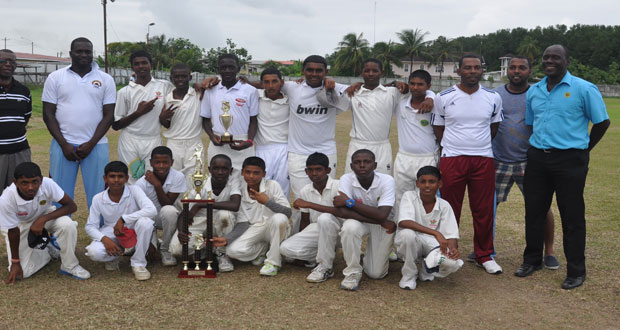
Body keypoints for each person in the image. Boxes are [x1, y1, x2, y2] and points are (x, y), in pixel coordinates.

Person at [515, 45, 610, 290]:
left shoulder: (583, 88)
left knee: (572, 216)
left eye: (556, 57)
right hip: (537, 158)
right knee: (534, 212)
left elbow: (602, 122)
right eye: (546, 57)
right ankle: (532, 260)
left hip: (570, 161)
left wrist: (583, 149)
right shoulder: (534, 90)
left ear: (567, 60)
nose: (550, 61)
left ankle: (576, 271)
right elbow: (531, 124)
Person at [431, 53, 504, 275]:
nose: (472, 71)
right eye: (467, 68)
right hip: (452, 158)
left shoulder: (493, 97)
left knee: (483, 209)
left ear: (482, 70)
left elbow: (493, 127)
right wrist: (452, 147)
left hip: (483, 158)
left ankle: (484, 255)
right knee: (449, 208)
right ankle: (446, 252)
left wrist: (477, 146)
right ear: (459, 71)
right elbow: (438, 128)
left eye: (476, 68)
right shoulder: (443, 97)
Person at [491, 56, 558, 268]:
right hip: (499, 159)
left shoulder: (538, 93)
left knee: (542, 207)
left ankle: (549, 251)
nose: (516, 71)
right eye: (512, 67)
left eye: (522, 67)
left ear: (529, 71)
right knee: (489, 206)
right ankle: (483, 249)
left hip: (530, 161)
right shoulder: (495, 94)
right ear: (507, 71)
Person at [42, 37, 115, 208]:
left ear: (92, 54)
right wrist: (64, 144)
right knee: (59, 195)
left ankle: (99, 234)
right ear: (70, 54)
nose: (84, 54)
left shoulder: (105, 79)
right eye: (79, 51)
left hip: (96, 146)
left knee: (100, 197)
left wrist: (91, 143)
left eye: (88, 51)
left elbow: (109, 116)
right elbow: (48, 114)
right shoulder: (55, 77)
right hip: (63, 146)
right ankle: (59, 233)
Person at [1, 162, 90, 283]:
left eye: (35, 181)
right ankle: (47, 250)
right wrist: (15, 262)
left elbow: (71, 206)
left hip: (45, 216)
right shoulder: (6, 198)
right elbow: (13, 231)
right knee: (23, 273)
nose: (31, 187)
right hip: (19, 225)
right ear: (15, 182)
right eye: (24, 183)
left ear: (41, 180)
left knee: (67, 224)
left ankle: (69, 266)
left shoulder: (48, 184)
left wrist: (42, 219)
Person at [341, 59, 433, 175]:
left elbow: (420, 91)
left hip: (382, 146)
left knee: (383, 183)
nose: (370, 74)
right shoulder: (353, 92)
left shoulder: (393, 92)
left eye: (375, 71)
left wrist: (430, 97)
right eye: (367, 71)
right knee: (353, 182)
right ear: (361, 72)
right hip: (358, 145)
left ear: (382, 72)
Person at [334, 149, 396, 291]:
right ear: (351, 166)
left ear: (375, 165)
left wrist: (351, 203)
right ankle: (352, 272)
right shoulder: (346, 179)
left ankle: (375, 254)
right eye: (357, 162)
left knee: (375, 274)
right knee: (349, 227)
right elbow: (342, 211)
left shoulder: (387, 180)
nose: (362, 165)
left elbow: (383, 214)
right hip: (366, 222)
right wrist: (378, 218)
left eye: (367, 162)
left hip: (382, 225)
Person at [85, 161, 157, 281]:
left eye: (120, 176)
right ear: (105, 178)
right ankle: (114, 257)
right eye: (112, 176)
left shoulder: (135, 190)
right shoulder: (98, 198)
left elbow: (152, 210)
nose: (116, 180)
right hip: (112, 232)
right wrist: (105, 240)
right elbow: (90, 226)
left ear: (127, 178)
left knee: (146, 222)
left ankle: (138, 263)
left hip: (135, 230)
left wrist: (124, 219)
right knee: (94, 252)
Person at [395, 166, 461, 290]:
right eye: (423, 181)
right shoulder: (409, 196)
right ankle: (409, 274)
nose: (427, 185)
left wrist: (452, 250)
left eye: (432, 182)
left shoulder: (444, 205)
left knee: (452, 263)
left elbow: (451, 234)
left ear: (439, 184)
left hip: (432, 244)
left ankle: (428, 268)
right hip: (412, 241)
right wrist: (436, 233)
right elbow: (404, 222)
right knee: (407, 234)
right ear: (417, 184)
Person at [171, 154, 242, 272]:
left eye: (224, 169)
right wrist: (181, 231)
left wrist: (202, 204)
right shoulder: (201, 184)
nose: (220, 172)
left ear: (230, 171)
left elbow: (235, 205)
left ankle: (222, 254)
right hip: (201, 221)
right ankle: (204, 249)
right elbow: (185, 212)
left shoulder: (233, 182)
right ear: (209, 170)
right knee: (176, 249)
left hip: (220, 223)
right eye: (216, 168)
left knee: (225, 215)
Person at [223, 156, 292, 276]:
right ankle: (263, 249)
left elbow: (287, 213)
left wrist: (267, 202)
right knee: (232, 251)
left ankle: (273, 262)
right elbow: (243, 223)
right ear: (242, 172)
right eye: (248, 172)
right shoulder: (239, 190)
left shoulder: (272, 185)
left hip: (275, 227)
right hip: (255, 228)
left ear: (264, 174)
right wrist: (227, 239)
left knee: (279, 218)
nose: (251, 176)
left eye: (256, 173)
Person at [113, 50, 173, 183]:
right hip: (130, 141)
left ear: (151, 65)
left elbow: (183, 90)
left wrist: (200, 85)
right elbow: (116, 125)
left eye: (144, 63)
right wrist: (138, 113)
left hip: (153, 139)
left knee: (152, 179)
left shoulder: (164, 86)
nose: (141, 66)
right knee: (132, 179)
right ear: (132, 67)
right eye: (137, 64)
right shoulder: (124, 92)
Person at [280, 152, 340, 268]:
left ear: (328, 170)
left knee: (325, 218)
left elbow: (341, 212)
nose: (314, 174)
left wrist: (309, 204)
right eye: (310, 170)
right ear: (306, 171)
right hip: (317, 229)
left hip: (340, 229)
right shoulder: (305, 190)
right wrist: (302, 245)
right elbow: (305, 221)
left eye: (318, 169)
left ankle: (325, 261)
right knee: (285, 249)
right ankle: (318, 256)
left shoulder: (338, 185)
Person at [200, 54, 258, 171]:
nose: (227, 71)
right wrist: (212, 137)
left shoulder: (250, 91)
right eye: (224, 67)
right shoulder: (210, 91)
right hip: (218, 144)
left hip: (242, 143)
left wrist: (249, 141)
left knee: (244, 183)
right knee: (218, 183)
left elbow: (253, 120)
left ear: (237, 68)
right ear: (218, 69)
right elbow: (205, 119)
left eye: (231, 67)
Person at [134, 146, 186, 266]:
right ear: (151, 163)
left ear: (172, 162)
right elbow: (139, 213)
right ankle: (149, 243)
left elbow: (166, 202)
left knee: (169, 211)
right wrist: (150, 243)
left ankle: (165, 249)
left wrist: (157, 184)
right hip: (147, 219)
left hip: (170, 218)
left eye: (165, 162)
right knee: (145, 251)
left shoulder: (178, 177)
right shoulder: (141, 183)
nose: (161, 166)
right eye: (157, 162)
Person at [394, 70, 439, 205]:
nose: (415, 87)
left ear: (428, 86)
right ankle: (401, 225)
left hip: (427, 158)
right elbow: (384, 88)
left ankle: (423, 225)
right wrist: (396, 82)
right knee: (400, 197)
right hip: (404, 158)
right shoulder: (401, 103)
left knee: (425, 198)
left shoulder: (435, 105)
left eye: (420, 84)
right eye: (412, 84)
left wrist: (431, 98)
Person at [160, 63, 204, 179]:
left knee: (195, 179)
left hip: (194, 143)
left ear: (190, 78)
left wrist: (199, 85)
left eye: (184, 76)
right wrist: (163, 118)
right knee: (174, 178)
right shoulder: (167, 98)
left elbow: (216, 81)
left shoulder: (198, 93)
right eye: (177, 77)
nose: (180, 79)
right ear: (171, 78)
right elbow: (168, 125)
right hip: (174, 143)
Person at [254, 68, 290, 196]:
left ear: (282, 82)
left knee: (282, 189)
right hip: (261, 149)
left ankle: (281, 216)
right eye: (266, 82)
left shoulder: (290, 100)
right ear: (261, 84)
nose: (271, 86)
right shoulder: (256, 96)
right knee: (261, 188)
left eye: (274, 81)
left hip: (284, 149)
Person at [0, 49, 32, 190]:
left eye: (12, 61)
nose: (8, 64)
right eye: (3, 61)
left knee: (18, 194)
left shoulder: (24, 91)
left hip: (20, 152)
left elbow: (25, 118)